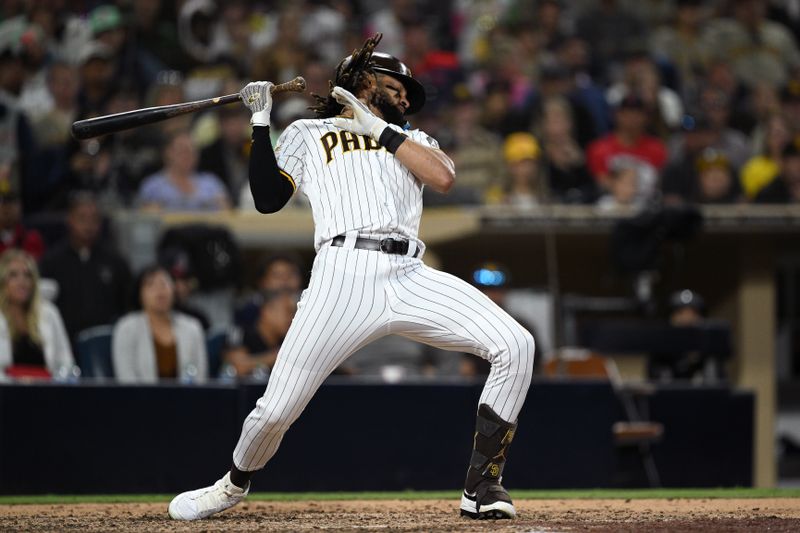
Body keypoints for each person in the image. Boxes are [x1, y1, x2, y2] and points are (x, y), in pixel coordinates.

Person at [168, 35, 534, 522]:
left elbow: (444, 178)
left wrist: (378, 127)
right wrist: (260, 122)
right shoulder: (307, 131)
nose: (406, 97)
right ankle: (232, 485)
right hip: (341, 276)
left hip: (409, 272)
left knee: (516, 344)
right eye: (396, 86)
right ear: (362, 81)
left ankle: (482, 486)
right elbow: (267, 198)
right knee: (275, 411)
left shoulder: (413, 140)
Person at [39, 192, 132, 352]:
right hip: (63, 343)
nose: (88, 225)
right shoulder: (51, 261)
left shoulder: (115, 261)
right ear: (70, 220)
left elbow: (127, 306)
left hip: (107, 345)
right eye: (82, 218)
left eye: (94, 219)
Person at [112, 265, 207, 384]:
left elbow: (200, 378)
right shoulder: (126, 328)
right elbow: (126, 378)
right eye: (151, 285)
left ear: (173, 289)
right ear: (140, 294)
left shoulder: (193, 328)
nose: (159, 290)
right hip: (140, 400)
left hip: (186, 400)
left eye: (164, 283)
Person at [0, 249, 74, 377]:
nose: (22, 282)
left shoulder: (50, 313)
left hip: (46, 390)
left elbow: (66, 362)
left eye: (27, 275)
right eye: (13, 275)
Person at [136, 130, 231, 212]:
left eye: (192, 150)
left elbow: (227, 216)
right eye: (182, 150)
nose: (188, 155)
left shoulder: (211, 183)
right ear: (167, 152)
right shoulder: (153, 186)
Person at [223, 289, 297, 378]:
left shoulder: (290, 338)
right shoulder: (241, 331)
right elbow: (239, 366)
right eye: (288, 311)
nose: (293, 318)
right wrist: (277, 356)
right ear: (267, 311)